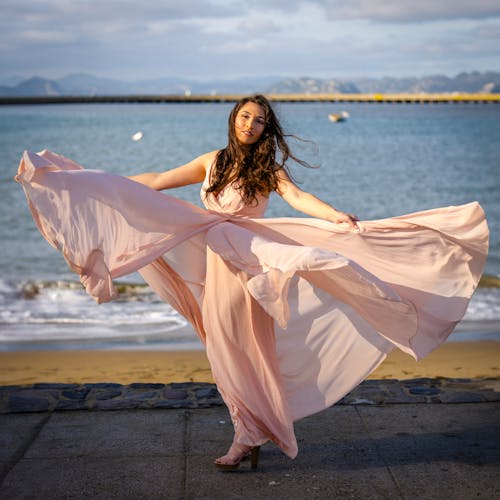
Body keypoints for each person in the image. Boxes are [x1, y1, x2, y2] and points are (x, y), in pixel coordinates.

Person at [16, 95, 488, 471]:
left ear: (266, 128)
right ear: (233, 119)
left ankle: (248, 436)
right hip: (213, 261)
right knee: (224, 352)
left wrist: (336, 216)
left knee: (270, 321)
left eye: (259, 120)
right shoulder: (212, 161)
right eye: (245, 117)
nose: (250, 125)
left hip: (251, 262)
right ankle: (249, 431)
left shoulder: (269, 170)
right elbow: (157, 180)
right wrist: (100, 182)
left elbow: (300, 198)